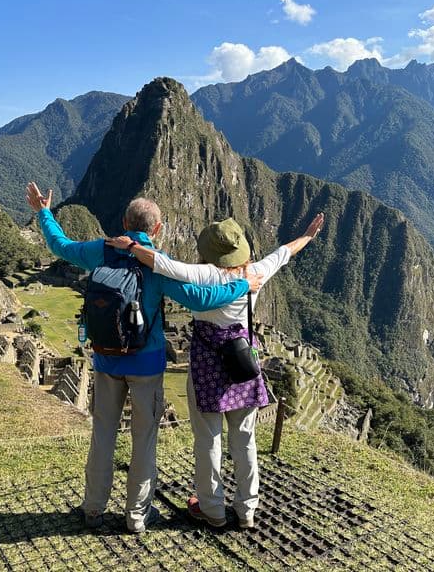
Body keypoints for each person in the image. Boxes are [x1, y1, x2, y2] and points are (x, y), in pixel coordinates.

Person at [25, 182, 262, 533]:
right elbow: (201, 299)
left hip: (106, 361)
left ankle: (93, 509)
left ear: (123, 222)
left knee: (103, 434)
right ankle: (137, 516)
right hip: (147, 366)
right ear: (157, 229)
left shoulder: (100, 250)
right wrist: (243, 285)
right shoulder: (157, 265)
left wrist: (44, 212)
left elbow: (60, 246)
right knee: (144, 439)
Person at [106, 213, 324, 529]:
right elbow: (284, 253)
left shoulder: (207, 274)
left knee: (208, 440)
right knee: (245, 438)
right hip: (241, 364)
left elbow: (162, 264)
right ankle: (247, 510)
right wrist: (307, 235)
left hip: (208, 365)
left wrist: (130, 245)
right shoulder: (256, 272)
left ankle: (213, 509)